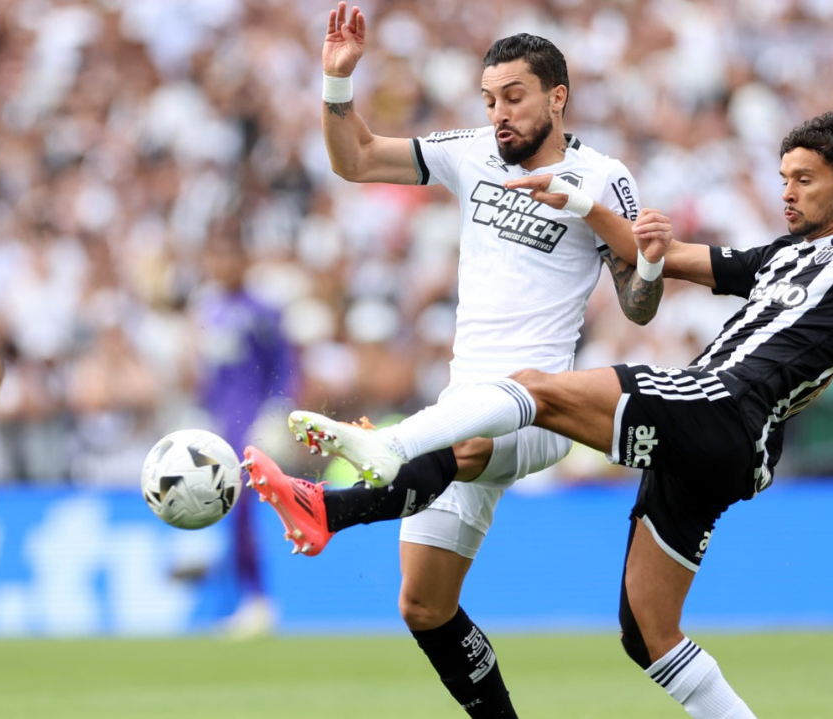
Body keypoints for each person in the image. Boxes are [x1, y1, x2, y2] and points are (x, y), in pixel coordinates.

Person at [248, 112, 833, 717]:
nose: (789, 193)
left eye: (805, 181)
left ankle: (379, 448)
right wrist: (617, 224)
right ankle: (347, 498)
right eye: (783, 179)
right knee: (648, 633)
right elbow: (674, 261)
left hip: (723, 406)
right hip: (727, 452)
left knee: (537, 388)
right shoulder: (782, 256)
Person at [246, 5, 660, 719]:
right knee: (424, 603)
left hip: (539, 406)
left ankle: (327, 508)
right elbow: (355, 159)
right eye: (490, 99)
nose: (499, 113)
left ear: (557, 96)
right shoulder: (470, 151)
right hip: (459, 403)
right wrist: (337, 84)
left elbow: (640, 301)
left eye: (515, 97)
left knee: (465, 438)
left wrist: (602, 218)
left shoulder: (604, 175)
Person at [193, 234, 297, 636]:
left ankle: (256, 599)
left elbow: (286, 364)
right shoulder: (209, 309)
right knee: (226, 512)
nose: (221, 266)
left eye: (228, 256)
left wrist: (277, 409)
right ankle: (243, 600)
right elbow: (209, 376)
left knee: (245, 513)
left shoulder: (262, 311)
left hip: (251, 424)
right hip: (219, 423)